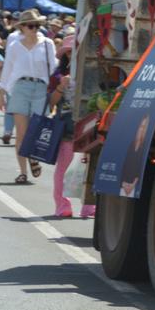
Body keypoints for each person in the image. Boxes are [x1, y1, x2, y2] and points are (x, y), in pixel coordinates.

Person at [0, 8, 55, 184]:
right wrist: (2, 93)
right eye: (30, 25)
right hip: (20, 87)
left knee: (37, 130)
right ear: (22, 27)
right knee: (21, 134)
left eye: (37, 25)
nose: (34, 28)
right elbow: (7, 69)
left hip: (40, 88)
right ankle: (23, 171)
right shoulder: (15, 45)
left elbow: (53, 69)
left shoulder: (47, 44)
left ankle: (33, 156)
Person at [47, 38, 94, 219]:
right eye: (68, 52)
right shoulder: (58, 74)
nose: (72, 55)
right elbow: (51, 102)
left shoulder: (92, 72)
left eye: (76, 51)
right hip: (66, 128)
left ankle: (88, 205)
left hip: (88, 126)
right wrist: (60, 87)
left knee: (88, 167)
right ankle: (62, 204)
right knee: (63, 168)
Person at [119, 114, 151, 198]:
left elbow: (139, 169)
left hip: (132, 185)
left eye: (144, 127)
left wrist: (133, 185)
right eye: (141, 126)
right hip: (123, 183)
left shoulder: (145, 146)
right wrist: (123, 183)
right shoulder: (130, 143)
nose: (142, 129)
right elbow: (123, 164)